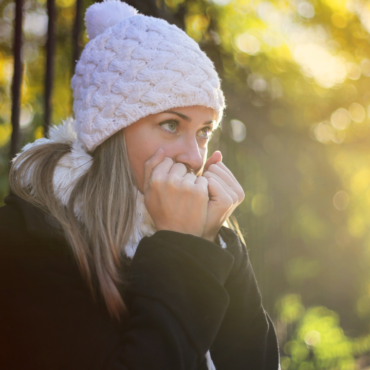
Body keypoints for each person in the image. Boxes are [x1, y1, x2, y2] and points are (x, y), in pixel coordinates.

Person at [0, 1, 280, 369]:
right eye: (170, 124)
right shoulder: (31, 241)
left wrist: (220, 245)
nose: (195, 158)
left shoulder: (203, 231)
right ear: (111, 131)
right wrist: (182, 249)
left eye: (203, 131)